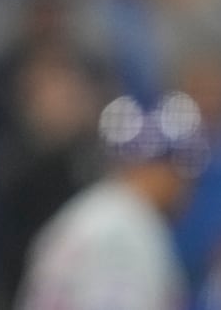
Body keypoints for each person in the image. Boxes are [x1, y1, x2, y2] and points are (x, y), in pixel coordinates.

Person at [15, 91, 210, 310]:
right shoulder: (123, 231)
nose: (186, 188)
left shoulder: (97, 212)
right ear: (153, 167)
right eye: (178, 171)